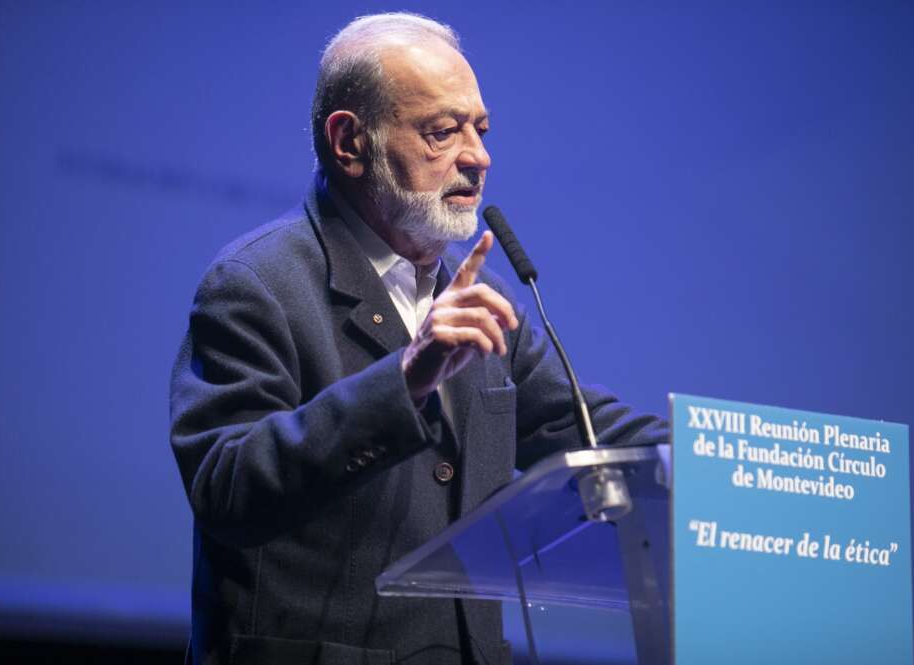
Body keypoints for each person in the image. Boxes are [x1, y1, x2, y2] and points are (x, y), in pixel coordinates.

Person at [169, 12, 667, 665]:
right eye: (443, 131)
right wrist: (405, 378)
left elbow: (596, 433)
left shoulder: (481, 302)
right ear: (350, 142)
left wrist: (739, 463)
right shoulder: (256, 284)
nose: (478, 156)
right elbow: (226, 487)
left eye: (480, 129)